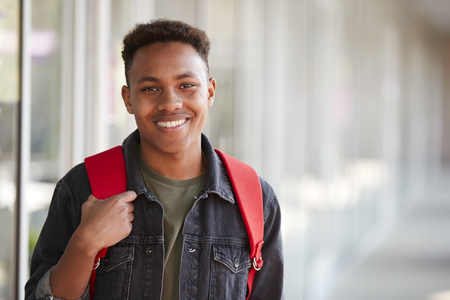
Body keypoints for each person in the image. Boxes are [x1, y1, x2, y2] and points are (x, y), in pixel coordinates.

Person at [25, 19, 284, 300]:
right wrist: (86, 243)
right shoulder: (82, 188)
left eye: (186, 85)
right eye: (150, 88)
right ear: (128, 99)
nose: (170, 103)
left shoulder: (255, 199)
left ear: (209, 92)